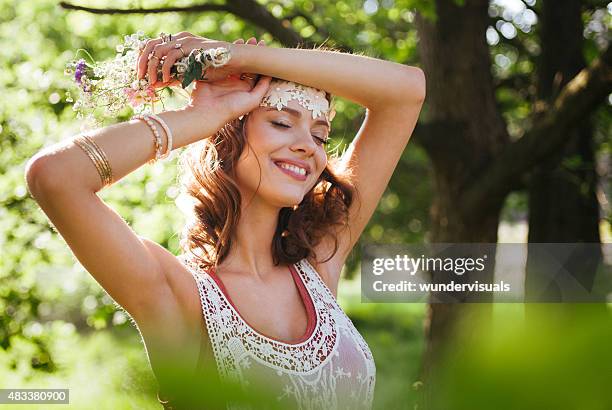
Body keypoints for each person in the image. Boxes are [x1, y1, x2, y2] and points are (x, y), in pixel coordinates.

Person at [25, 32, 426, 409]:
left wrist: (238, 56)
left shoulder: (320, 262)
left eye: (320, 136)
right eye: (282, 123)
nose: (308, 146)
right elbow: (55, 177)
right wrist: (202, 115)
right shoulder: (179, 297)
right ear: (228, 135)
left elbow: (406, 91)